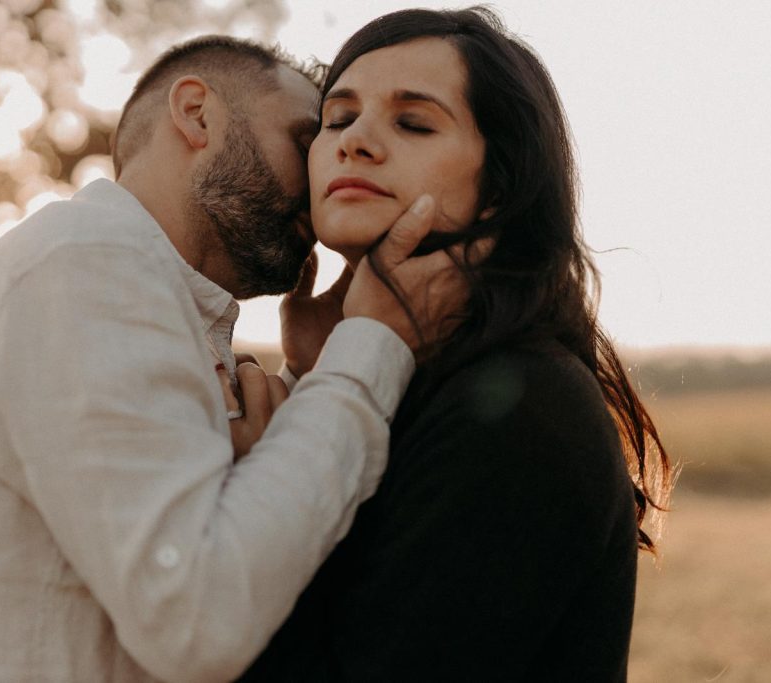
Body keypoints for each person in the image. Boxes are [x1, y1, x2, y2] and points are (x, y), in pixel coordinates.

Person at [0, 36, 469, 682]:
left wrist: (308, 376)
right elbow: (197, 616)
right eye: (303, 138)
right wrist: (370, 344)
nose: (321, 172)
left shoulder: (143, 292)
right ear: (197, 114)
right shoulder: (86, 262)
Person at [241, 8, 673, 681]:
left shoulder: (521, 405)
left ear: (501, 184)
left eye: (413, 122)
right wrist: (320, 381)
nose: (356, 141)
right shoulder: (399, 379)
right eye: (337, 119)